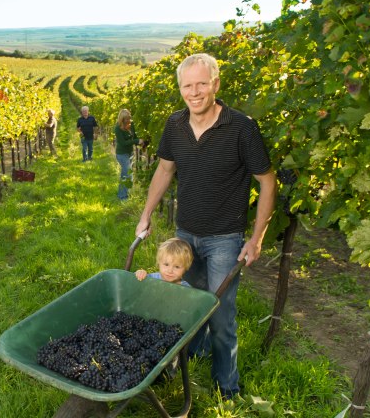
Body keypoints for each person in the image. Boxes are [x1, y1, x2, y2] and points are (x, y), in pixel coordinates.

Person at [134, 53, 276, 399]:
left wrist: (256, 239)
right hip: (186, 235)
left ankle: (227, 388)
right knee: (188, 305)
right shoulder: (175, 125)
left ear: (215, 84)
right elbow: (165, 171)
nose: (194, 92)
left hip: (225, 238)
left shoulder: (242, 127)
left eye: (201, 84)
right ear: (180, 88)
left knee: (220, 313)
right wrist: (146, 213)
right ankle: (191, 357)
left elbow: (268, 182)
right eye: (187, 85)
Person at [113, 109, 143, 200]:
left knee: (124, 175)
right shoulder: (118, 128)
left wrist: (141, 142)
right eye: (125, 119)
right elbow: (123, 143)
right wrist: (136, 141)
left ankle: (121, 194)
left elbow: (135, 137)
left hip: (130, 153)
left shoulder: (131, 124)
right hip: (122, 154)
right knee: (128, 175)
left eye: (128, 118)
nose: (127, 120)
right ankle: (123, 197)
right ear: (121, 119)